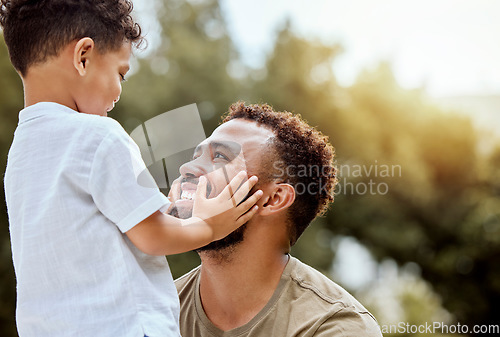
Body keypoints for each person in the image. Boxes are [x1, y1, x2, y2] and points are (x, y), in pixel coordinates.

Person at [1, 1, 262, 336]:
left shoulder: (20, 155)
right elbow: (153, 235)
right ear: (83, 56)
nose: (118, 92)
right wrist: (210, 225)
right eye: (120, 73)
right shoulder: (99, 136)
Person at [172, 102, 383, 337]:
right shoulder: (155, 306)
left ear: (274, 199)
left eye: (219, 156)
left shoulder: (335, 326)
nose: (186, 168)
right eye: (195, 156)